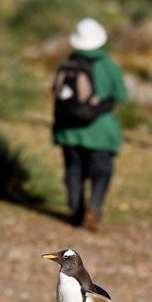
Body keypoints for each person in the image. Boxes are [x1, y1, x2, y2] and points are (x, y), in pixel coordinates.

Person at [52, 18, 127, 231]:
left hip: (68, 131)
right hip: (100, 131)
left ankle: (76, 212)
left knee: (73, 170)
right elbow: (121, 95)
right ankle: (94, 208)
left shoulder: (66, 64)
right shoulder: (109, 65)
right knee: (101, 171)